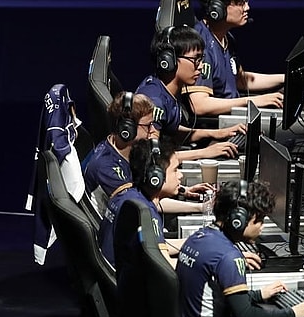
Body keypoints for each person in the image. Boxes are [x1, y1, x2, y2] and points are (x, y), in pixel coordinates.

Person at [175, 180, 304, 317]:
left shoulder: (199, 238)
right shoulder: (229, 257)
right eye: (259, 220)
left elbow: (213, 297)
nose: (262, 227)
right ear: (238, 220)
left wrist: (259, 294)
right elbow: (245, 315)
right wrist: (293, 313)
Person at [83, 91, 213, 217]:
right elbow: (144, 205)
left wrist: (183, 190)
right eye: (148, 126)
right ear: (127, 129)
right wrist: (201, 207)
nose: (153, 130)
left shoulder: (128, 150)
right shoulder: (106, 169)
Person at [137, 25, 244, 161]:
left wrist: (217, 133)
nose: (201, 66)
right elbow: (152, 156)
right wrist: (205, 152)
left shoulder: (167, 91)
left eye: (201, 59)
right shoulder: (155, 101)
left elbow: (171, 132)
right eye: (195, 59)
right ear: (169, 61)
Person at [98, 137, 185, 268]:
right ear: (155, 177)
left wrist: (192, 244)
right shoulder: (144, 212)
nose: (180, 175)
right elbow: (166, 267)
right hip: (128, 279)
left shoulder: (127, 194)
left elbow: (156, 247)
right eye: (175, 170)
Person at [188, 0, 285, 116]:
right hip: (218, 123)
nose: (247, 8)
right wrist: (252, 101)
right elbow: (199, 105)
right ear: (217, 8)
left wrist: (286, 78)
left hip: (233, 115)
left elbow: (239, 80)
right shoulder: (200, 44)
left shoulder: (227, 38)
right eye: (241, 3)